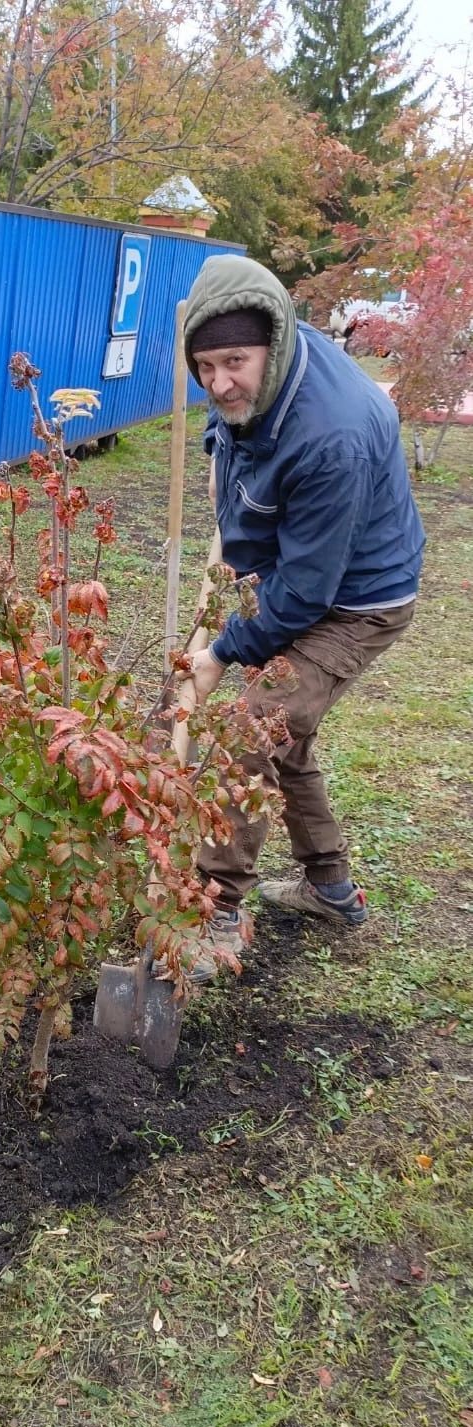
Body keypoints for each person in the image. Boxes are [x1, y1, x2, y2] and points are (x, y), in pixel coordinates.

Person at [182, 254, 425, 979]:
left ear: (272, 347)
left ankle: (216, 909)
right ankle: (330, 889)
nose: (220, 381)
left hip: (356, 603)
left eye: (234, 362)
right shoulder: (258, 370)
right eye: (204, 365)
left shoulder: (334, 431)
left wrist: (221, 651)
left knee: (247, 733)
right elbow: (235, 442)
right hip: (296, 574)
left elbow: (307, 594)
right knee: (283, 736)